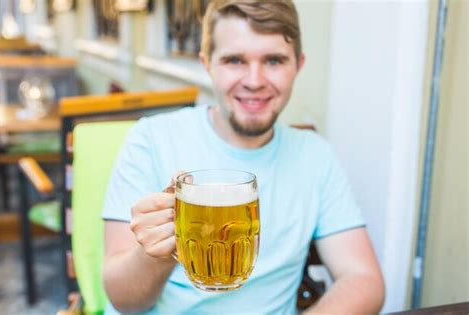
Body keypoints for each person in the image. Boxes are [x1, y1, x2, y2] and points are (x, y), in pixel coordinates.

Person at [102, 0, 385, 314]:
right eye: (235, 60)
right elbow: (122, 300)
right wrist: (156, 252)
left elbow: (363, 279)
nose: (254, 80)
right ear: (207, 63)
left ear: (298, 65)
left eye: (274, 60)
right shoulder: (151, 140)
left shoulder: (315, 155)